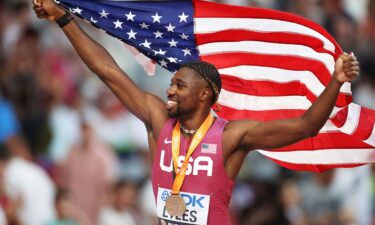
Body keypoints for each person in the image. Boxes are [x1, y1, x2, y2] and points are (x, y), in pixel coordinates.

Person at [32, 0, 360, 225]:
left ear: (205, 95)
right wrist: (64, 19)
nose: (169, 90)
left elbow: (306, 126)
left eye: (179, 85)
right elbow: (107, 71)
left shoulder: (233, 136)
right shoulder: (158, 120)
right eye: (172, 84)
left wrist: (336, 81)